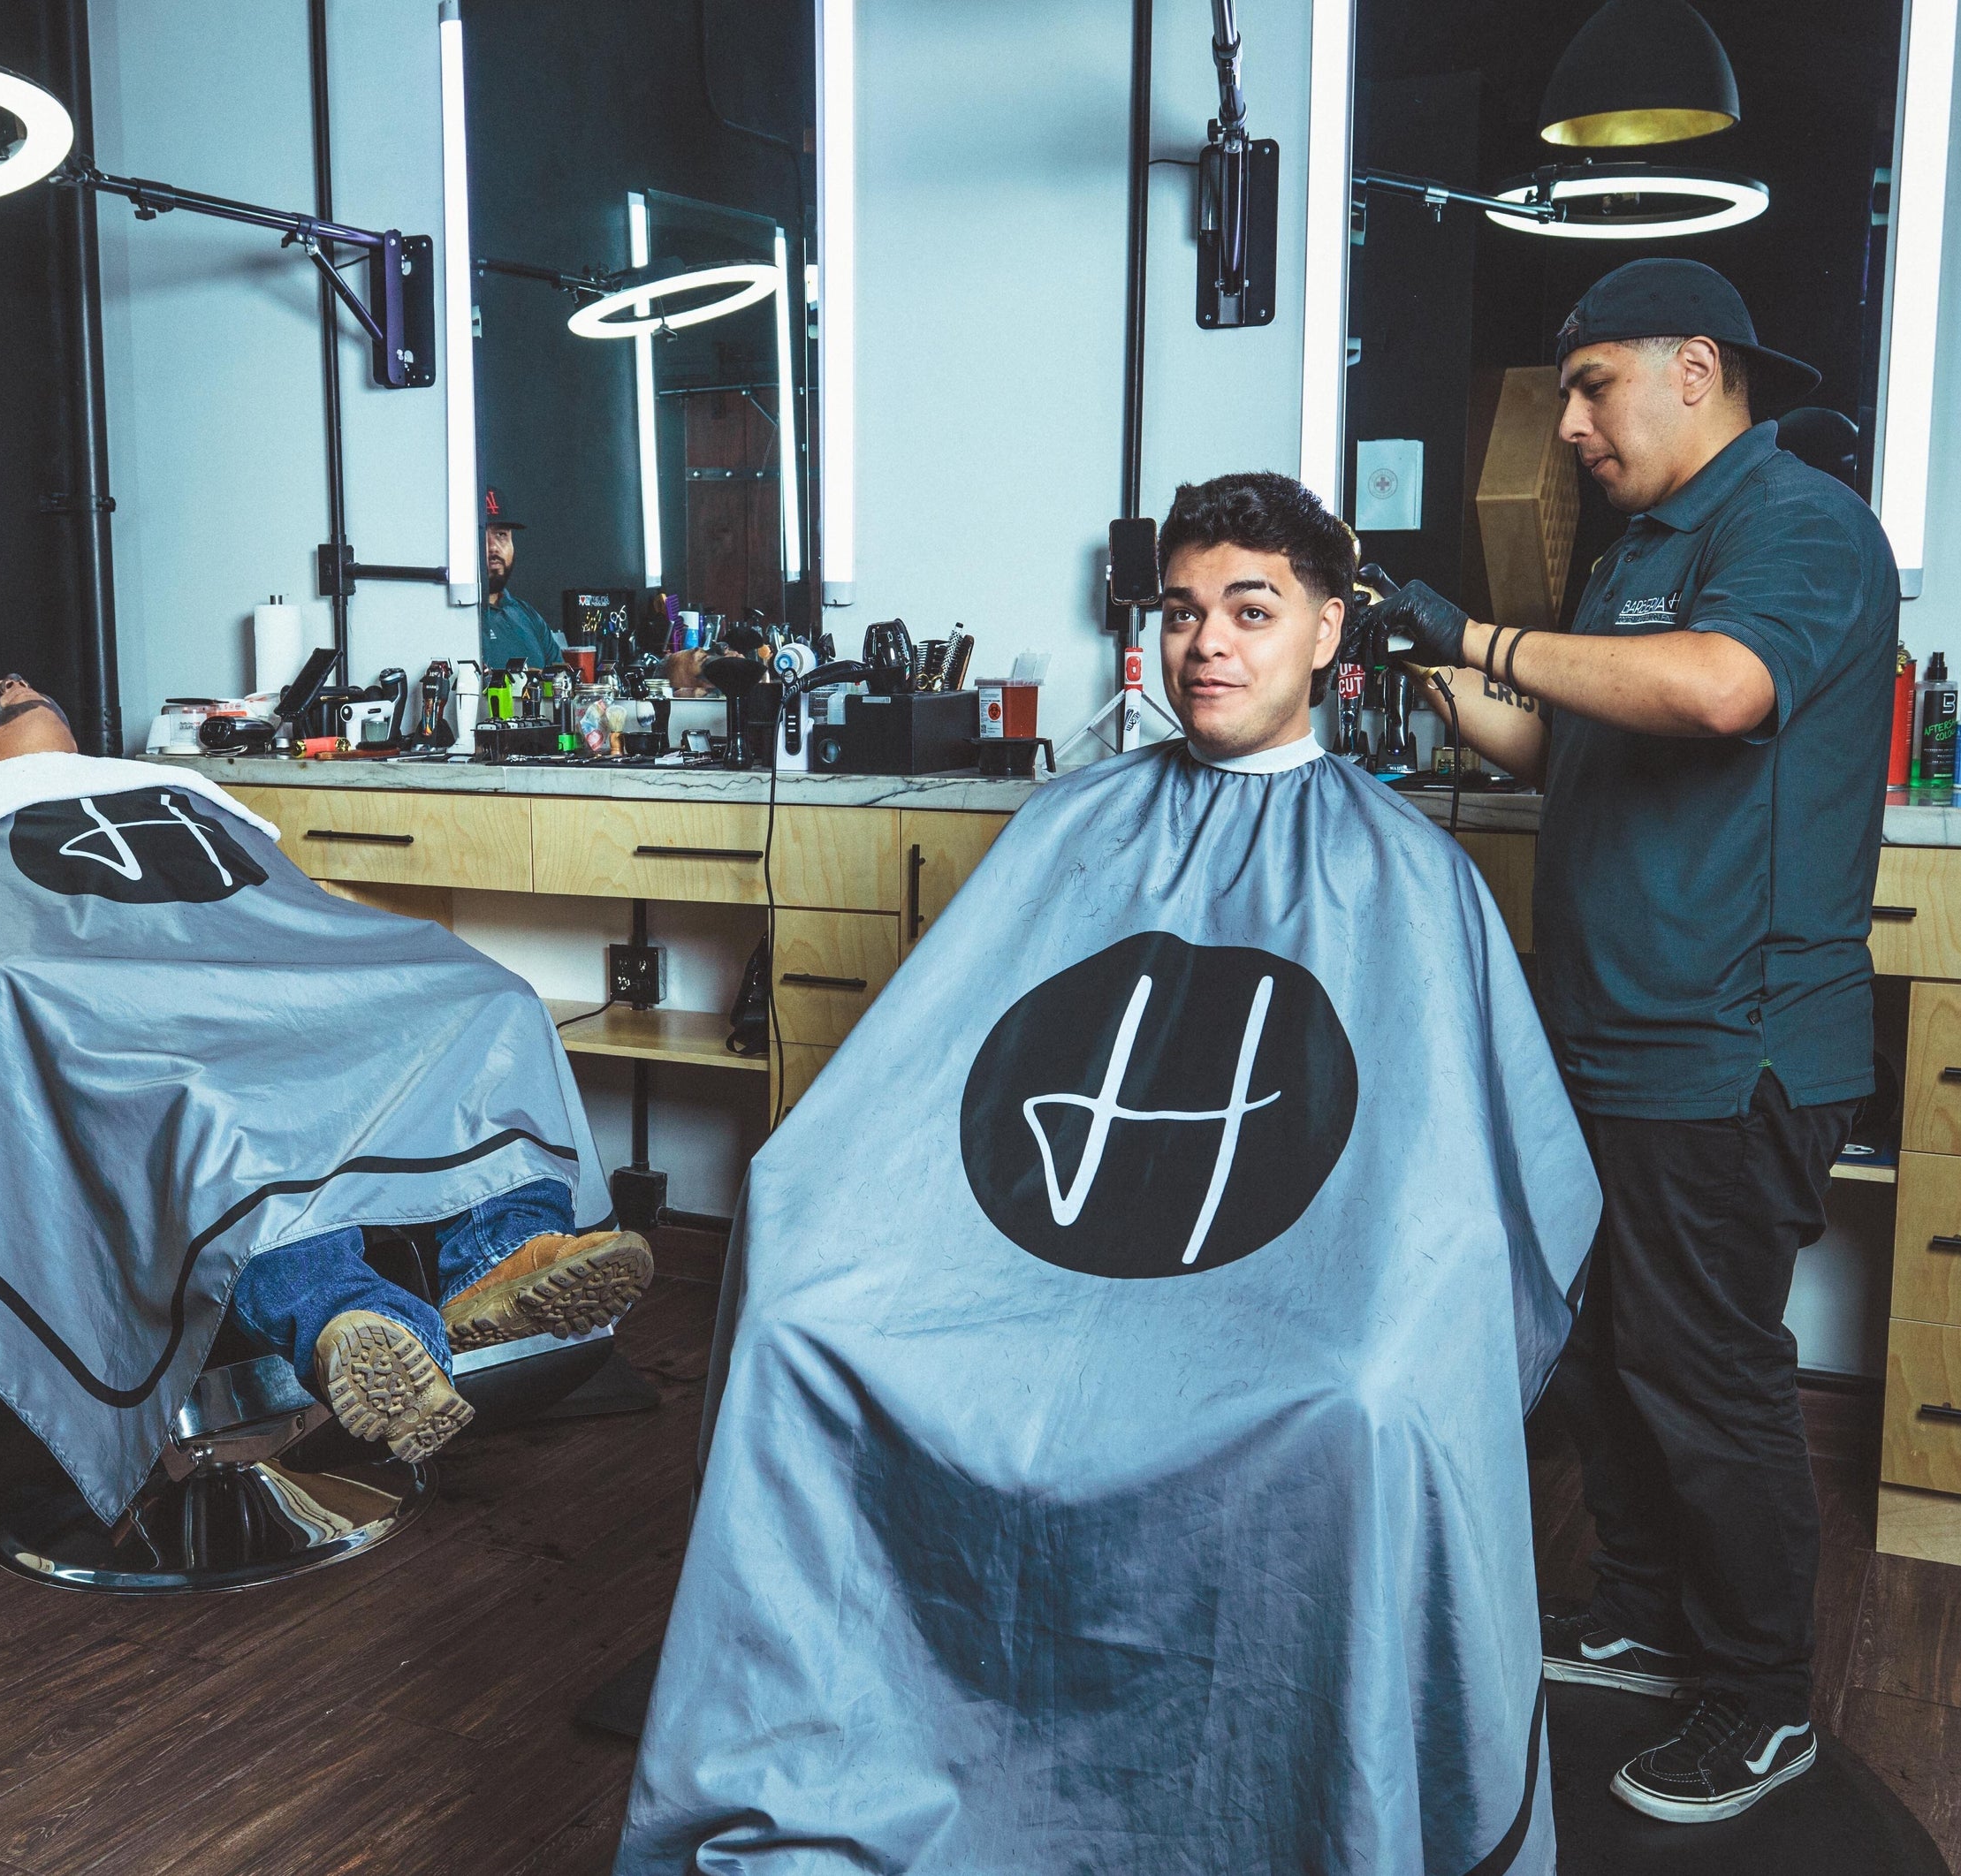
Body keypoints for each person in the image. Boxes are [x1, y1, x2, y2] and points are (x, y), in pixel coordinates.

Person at [621, 475, 1596, 1873]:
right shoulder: (1068, 826)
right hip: (1025, 1272)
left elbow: (1456, 1192)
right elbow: (911, 1090)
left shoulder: (1410, 874)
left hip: (1274, 1298)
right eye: (1184, 612)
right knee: (799, 1318)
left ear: (1330, 632)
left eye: (1252, 612)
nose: (1210, 644)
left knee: (1364, 1400)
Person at [1384, 258, 1898, 1823]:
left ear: (1698, 365)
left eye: (1594, 390)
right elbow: (1560, 739)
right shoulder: (1641, 549)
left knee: (1707, 1367)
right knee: (1607, 1351)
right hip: (1606, 1035)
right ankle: (1640, 1609)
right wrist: (1424, 653)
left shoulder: (1796, 522)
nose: (1575, 429)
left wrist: (1482, 628)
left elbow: (1722, 691)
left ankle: (1757, 1700)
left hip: (1723, 1045)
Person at [0, 676, 651, 1489]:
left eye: (23, 679)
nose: (14, 680)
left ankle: (504, 1253)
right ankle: (345, 1316)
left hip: (279, 974)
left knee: (485, 999)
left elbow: (284, 900)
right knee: (209, 1100)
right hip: (121, 1008)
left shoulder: (163, 785)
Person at [477, 485, 567, 670]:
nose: (493, 547)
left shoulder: (527, 615)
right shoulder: (457, 619)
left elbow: (561, 685)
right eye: (481, 535)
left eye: (501, 535)